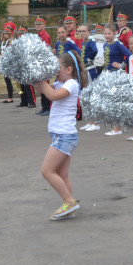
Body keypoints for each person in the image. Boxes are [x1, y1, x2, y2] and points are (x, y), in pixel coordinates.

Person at [36, 49, 88, 220]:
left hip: (64, 136)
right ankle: (69, 207)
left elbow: (52, 96)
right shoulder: (61, 83)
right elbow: (41, 90)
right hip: (63, 135)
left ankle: (69, 201)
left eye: (57, 68)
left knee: (47, 171)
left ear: (69, 69)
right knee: (62, 174)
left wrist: (43, 79)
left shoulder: (71, 84)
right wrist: (37, 75)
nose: (55, 71)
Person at [102, 23, 131, 136]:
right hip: (108, 74)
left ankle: (118, 128)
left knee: (116, 101)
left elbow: (129, 55)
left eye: (109, 33)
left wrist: (122, 65)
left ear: (114, 33)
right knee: (111, 101)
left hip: (116, 74)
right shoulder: (105, 45)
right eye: (105, 33)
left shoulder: (118, 44)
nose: (107, 35)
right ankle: (117, 127)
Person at [0, 22, 16, 103]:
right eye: (4, 33)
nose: (5, 35)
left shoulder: (10, 42)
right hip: (4, 63)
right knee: (7, 80)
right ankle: (10, 96)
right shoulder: (3, 42)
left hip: (10, 63)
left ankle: (11, 97)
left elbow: (10, 53)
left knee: (9, 80)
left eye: (7, 33)